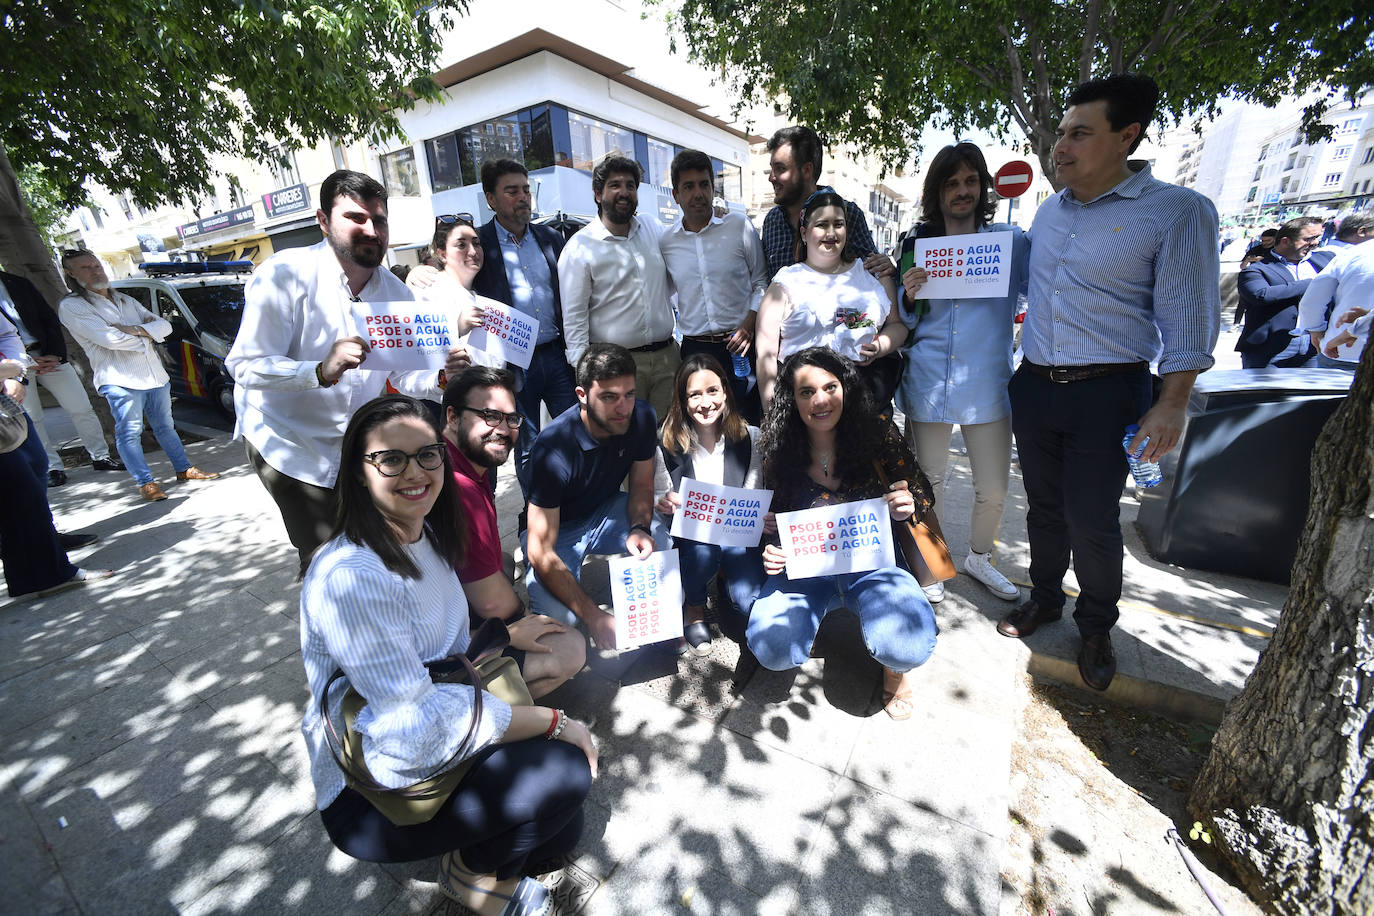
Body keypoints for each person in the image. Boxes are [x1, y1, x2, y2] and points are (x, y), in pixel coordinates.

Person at [300, 395, 595, 915]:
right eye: (391, 459)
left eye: (427, 454)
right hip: (371, 786)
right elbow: (413, 725)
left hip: (439, 712)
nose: (415, 472)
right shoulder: (351, 577)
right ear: (357, 470)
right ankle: (470, 877)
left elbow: (446, 654)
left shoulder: (425, 531)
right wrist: (553, 720)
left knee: (562, 829)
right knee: (565, 771)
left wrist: (502, 637)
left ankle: (476, 851)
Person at [1002, 73, 1220, 692]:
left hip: (1110, 391)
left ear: (1127, 137)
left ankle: (1096, 625)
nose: (1060, 148)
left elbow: (1188, 318)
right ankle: (1044, 597)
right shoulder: (1049, 211)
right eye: (1060, 134)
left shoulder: (1177, 212)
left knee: (1092, 517)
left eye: (1078, 135)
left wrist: (1171, 403)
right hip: (1036, 385)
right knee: (1043, 508)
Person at [227, 170, 469, 575]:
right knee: (329, 558)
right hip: (290, 442)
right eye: (356, 218)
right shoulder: (284, 274)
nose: (371, 230)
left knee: (378, 546)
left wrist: (442, 377)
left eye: (380, 220)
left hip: (354, 445)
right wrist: (319, 370)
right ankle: (336, 628)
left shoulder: (395, 292)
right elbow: (245, 367)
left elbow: (406, 375)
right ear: (323, 222)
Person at [748, 348, 938, 721]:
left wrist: (906, 502)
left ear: (846, 387)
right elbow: (773, 519)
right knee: (772, 647)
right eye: (806, 392)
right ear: (793, 399)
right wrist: (771, 548)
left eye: (830, 387)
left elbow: (921, 491)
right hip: (804, 570)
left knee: (906, 645)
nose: (820, 400)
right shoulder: (778, 444)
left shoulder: (878, 431)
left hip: (874, 566)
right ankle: (815, 623)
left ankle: (893, 668)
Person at [896, 142, 1029, 606]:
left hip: (986, 386)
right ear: (938, 190)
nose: (962, 190)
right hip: (928, 381)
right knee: (926, 482)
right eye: (951, 182)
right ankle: (933, 564)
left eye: (971, 180)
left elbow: (1044, 294)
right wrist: (908, 296)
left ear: (983, 186)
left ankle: (980, 557)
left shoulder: (1010, 245)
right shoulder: (916, 247)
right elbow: (907, 320)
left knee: (992, 487)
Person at [439, 366, 586, 693]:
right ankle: (467, 712)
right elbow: (494, 605)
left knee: (504, 563)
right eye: (489, 416)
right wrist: (523, 621)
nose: (503, 429)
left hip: (442, 609)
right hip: (428, 652)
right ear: (452, 415)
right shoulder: (458, 488)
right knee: (570, 645)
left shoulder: (450, 459)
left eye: (511, 419)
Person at [523, 343, 668, 651]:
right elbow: (539, 549)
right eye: (609, 397)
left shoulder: (640, 416)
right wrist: (593, 616)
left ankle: (656, 627)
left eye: (629, 394)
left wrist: (639, 528)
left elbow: (642, 484)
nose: (623, 408)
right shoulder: (553, 449)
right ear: (581, 395)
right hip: (556, 528)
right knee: (561, 622)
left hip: (604, 511)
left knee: (658, 537)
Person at [58, 250, 219, 502]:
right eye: (86, 268)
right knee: (129, 432)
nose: (96, 270)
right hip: (120, 379)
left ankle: (183, 469)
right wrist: (148, 336)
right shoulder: (73, 306)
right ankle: (146, 483)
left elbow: (165, 327)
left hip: (155, 376)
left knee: (166, 426)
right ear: (71, 274)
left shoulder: (124, 299)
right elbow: (110, 340)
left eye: (96, 264)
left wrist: (134, 330)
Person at [473, 159, 577, 502]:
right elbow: (450, 275)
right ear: (491, 199)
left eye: (526, 190)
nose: (523, 198)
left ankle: (575, 507)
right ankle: (537, 516)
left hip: (557, 358)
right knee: (527, 444)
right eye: (512, 191)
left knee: (574, 433)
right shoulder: (479, 244)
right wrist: (420, 273)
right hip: (512, 365)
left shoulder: (550, 238)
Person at [652, 354, 766, 655]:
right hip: (694, 539)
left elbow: (752, 492)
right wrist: (662, 502)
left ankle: (726, 579)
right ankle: (695, 605)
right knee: (702, 554)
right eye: (695, 394)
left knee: (751, 604)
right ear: (683, 400)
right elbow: (658, 495)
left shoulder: (751, 437)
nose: (706, 403)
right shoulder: (666, 443)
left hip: (736, 537)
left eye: (712, 391)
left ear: (726, 391)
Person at [755, 191, 906, 408]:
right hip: (804, 406)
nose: (831, 232)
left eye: (838, 224)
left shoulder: (874, 275)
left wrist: (880, 346)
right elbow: (765, 355)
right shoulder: (784, 283)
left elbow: (897, 326)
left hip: (863, 405)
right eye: (822, 225)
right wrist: (772, 410)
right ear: (804, 233)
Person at [558, 155, 678, 420]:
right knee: (622, 446)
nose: (624, 192)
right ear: (598, 194)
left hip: (667, 360)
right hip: (615, 368)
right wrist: (587, 377)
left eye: (630, 185)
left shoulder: (652, 227)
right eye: (615, 185)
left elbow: (684, 247)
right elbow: (575, 320)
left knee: (668, 440)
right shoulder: (579, 248)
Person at [0, 316, 112, 598]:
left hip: (5, 399)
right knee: (20, 487)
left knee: (32, 470)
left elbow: (7, 335)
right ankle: (48, 572)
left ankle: (36, 572)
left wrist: (16, 375)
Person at [659, 149, 767, 424]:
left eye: (704, 184)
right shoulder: (667, 242)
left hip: (741, 346)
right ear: (676, 195)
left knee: (748, 423)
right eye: (688, 186)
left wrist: (749, 324)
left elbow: (761, 281)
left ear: (712, 186)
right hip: (695, 350)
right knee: (703, 427)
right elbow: (662, 291)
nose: (698, 193)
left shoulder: (739, 226)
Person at [0, 269, 120, 485]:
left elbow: (48, 318)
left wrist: (55, 354)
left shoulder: (17, 282)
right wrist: (22, 363)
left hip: (48, 356)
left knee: (81, 407)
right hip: (12, 366)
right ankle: (53, 469)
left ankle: (101, 456)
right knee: (33, 417)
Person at [760, 126, 892, 283]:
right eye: (771, 168)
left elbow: (874, 277)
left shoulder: (848, 214)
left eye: (780, 169)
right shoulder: (772, 221)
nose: (771, 178)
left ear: (807, 170)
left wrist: (887, 270)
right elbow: (763, 282)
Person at [1236, 216, 1333, 369]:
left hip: (1314, 344)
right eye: (1309, 238)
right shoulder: (1258, 269)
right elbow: (1261, 295)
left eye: (1317, 237)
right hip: (1270, 349)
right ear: (1285, 241)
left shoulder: (1326, 261)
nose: (1315, 242)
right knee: (1263, 392)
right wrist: (1313, 283)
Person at [416, 214, 503, 370]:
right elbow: (416, 360)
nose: (473, 252)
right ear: (442, 254)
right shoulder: (427, 292)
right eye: (461, 245)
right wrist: (455, 328)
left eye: (476, 244)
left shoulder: (482, 295)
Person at [1297, 239, 1374, 369]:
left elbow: (1314, 298)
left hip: (1343, 349)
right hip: (1342, 348)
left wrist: (1315, 329)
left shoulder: (1355, 252)